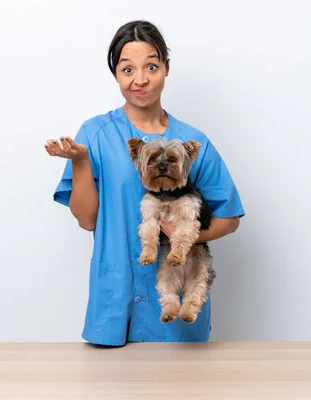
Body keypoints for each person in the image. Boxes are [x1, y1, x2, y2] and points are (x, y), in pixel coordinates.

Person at [44, 20, 244, 346]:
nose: (140, 80)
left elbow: (229, 218)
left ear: (166, 68)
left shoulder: (194, 142)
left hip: (177, 303)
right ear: (115, 75)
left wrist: (184, 237)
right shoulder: (94, 135)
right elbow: (86, 219)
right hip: (114, 303)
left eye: (151, 66)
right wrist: (80, 161)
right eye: (127, 69)